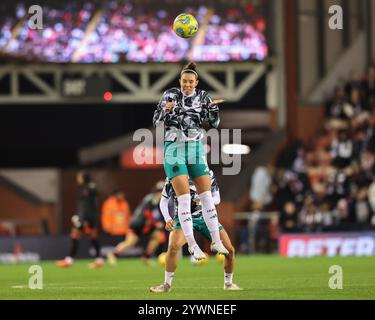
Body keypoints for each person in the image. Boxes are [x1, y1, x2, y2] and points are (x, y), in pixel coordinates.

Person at [153, 61, 228, 260]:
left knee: (206, 197)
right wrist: (165, 110)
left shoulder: (203, 97)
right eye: (184, 81)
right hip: (174, 148)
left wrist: (212, 110)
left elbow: (214, 123)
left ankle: (216, 242)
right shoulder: (169, 95)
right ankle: (193, 246)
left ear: (196, 82)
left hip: (194, 147)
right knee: (184, 198)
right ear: (179, 81)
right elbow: (156, 121)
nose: (187, 85)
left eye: (190, 82)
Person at [150, 170, 242, 293]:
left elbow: (217, 198)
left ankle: (228, 283)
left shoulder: (207, 172)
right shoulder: (174, 173)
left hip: (206, 218)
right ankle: (166, 285)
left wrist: (203, 201)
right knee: (173, 247)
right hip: (182, 219)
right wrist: (167, 218)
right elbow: (164, 200)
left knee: (229, 250)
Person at [106, 181, 166, 266]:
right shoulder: (152, 198)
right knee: (130, 242)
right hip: (138, 224)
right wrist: (155, 223)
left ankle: (146, 257)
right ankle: (113, 255)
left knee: (157, 236)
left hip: (142, 223)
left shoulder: (154, 199)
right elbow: (146, 213)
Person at [57, 172, 103, 268]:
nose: (78, 179)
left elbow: (86, 206)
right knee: (93, 238)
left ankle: (69, 260)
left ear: (84, 178)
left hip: (86, 217)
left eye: (79, 177)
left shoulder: (86, 189)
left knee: (75, 236)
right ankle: (99, 260)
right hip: (92, 217)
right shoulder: (92, 187)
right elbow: (94, 202)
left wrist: (82, 219)